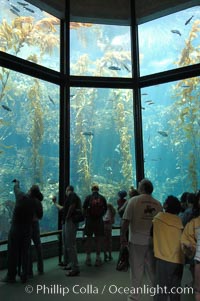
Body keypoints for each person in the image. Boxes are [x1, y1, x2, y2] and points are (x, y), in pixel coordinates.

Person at [120, 178, 162, 301]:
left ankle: (134, 297)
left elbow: (125, 220)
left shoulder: (133, 201)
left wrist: (122, 236)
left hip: (136, 241)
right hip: (152, 242)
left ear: (142, 188)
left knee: (136, 269)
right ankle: (158, 296)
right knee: (152, 270)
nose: (138, 186)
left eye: (139, 185)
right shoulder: (158, 204)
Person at [1, 180, 43, 283]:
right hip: (27, 229)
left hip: (16, 227)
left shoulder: (22, 196)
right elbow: (40, 216)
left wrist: (17, 183)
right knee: (25, 252)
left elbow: (16, 188)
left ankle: (11, 275)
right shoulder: (36, 202)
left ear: (29, 191)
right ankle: (25, 275)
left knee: (12, 252)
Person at [153, 195, 184, 301]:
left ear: (166, 205)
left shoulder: (157, 218)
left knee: (161, 290)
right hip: (178, 260)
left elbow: (151, 234)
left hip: (162, 259)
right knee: (175, 290)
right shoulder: (180, 221)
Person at [59, 185, 82, 276]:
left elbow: (72, 206)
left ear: (67, 190)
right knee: (69, 244)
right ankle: (70, 264)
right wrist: (55, 203)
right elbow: (63, 208)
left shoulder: (72, 195)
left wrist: (67, 217)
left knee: (71, 244)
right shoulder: (72, 197)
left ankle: (75, 268)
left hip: (71, 222)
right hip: (69, 222)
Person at [83, 184, 107, 267]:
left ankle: (88, 258)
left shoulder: (88, 197)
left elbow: (84, 208)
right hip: (99, 221)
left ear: (91, 189)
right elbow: (105, 209)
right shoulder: (102, 198)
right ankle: (97, 258)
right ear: (98, 189)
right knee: (98, 240)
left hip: (89, 221)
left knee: (88, 239)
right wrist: (100, 215)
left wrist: (86, 217)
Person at [28, 186, 44, 276]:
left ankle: (29, 271)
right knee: (38, 246)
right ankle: (40, 269)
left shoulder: (28, 200)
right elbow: (41, 216)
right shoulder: (38, 202)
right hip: (36, 224)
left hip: (28, 225)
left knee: (28, 247)